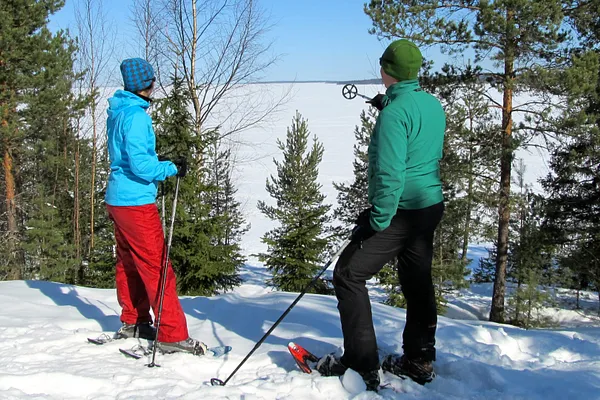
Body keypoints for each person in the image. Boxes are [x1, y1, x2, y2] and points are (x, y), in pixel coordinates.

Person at [316, 39, 446, 390]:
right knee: (417, 280)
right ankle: (419, 359)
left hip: (401, 211)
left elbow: (391, 174)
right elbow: (414, 128)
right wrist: (387, 104)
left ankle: (360, 363)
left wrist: (376, 220)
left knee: (347, 274)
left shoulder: (394, 114)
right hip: (429, 205)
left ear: (386, 69)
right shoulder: (430, 104)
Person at [105, 57, 206, 356]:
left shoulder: (118, 110)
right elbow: (141, 165)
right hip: (135, 201)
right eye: (151, 79)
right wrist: (170, 168)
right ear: (146, 83)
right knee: (157, 266)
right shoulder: (136, 116)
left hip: (118, 199)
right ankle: (171, 335)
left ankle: (135, 321)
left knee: (128, 262)